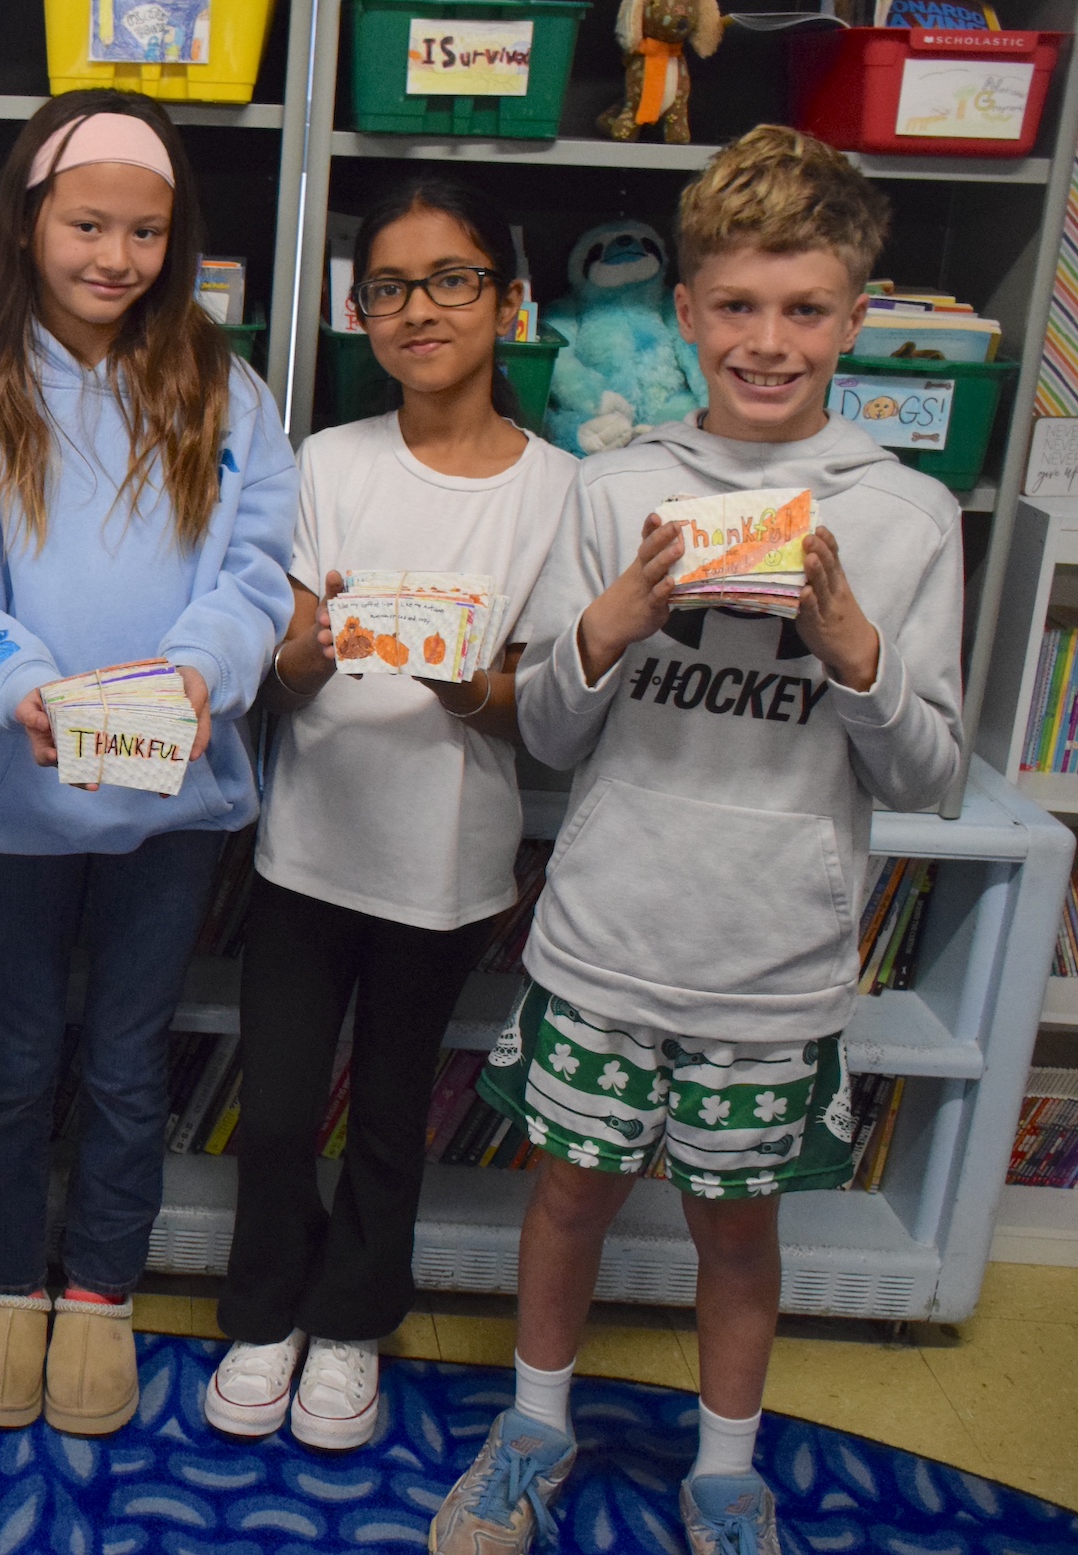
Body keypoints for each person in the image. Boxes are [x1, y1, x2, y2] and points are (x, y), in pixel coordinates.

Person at [429, 126, 963, 1555]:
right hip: (610, 934)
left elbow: (936, 775)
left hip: (775, 955)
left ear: (857, 315)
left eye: (804, 310)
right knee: (569, 1195)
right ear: (685, 312)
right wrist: (605, 628)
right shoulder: (612, 489)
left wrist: (855, 647)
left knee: (739, 1229)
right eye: (736, 305)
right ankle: (535, 1423)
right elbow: (545, 731)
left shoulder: (907, 516)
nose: (768, 341)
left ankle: (729, 1466)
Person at [0, 89, 297, 1436]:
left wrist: (196, 672)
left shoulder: (227, 389)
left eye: (144, 230)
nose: (114, 255)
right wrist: (22, 687)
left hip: (173, 797)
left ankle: (100, 1290)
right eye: (87, 225)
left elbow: (256, 575)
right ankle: (8, 1282)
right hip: (16, 793)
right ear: (28, 219)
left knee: (127, 1058)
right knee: (11, 1052)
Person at [208, 178, 577, 1450]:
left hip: (447, 858)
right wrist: (312, 649)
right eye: (389, 288)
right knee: (281, 1098)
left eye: (451, 281)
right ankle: (264, 1310)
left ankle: (355, 1322)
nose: (419, 310)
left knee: (392, 1110)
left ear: (504, 299)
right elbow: (282, 660)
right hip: (308, 844)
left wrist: (467, 682)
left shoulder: (559, 491)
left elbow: (549, 702)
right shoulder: (325, 460)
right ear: (358, 310)